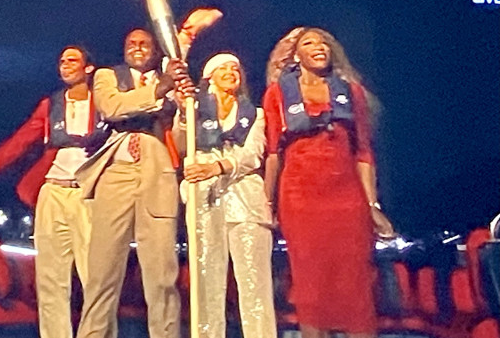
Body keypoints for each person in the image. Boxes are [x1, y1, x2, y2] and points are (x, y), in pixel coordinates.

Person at [0, 46, 109, 338]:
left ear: (89, 68)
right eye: (61, 61)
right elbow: (20, 142)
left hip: (91, 196)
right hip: (53, 193)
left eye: (72, 60)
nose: (65, 66)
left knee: (96, 277)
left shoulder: (105, 102)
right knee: (51, 278)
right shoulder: (51, 105)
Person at [262, 27, 394, 338]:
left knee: (355, 286)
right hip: (300, 199)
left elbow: (363, 151)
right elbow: (272, 153)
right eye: (309, 43)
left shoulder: (352, 93)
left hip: (346, 198)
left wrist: (372, 205)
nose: (319, 47)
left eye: (324, 43)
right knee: (311, 287)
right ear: (297, 55)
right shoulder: (277, 94)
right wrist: (267, 204)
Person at [74, 28, 198, 338]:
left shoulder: (171, 81)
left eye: (145, 44)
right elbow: (112, 107)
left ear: (156, 51)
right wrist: (159, 90)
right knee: (102, 271)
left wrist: (185, 111)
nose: (138, 48)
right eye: (132, 43)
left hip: (158, 172)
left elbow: (182, 146)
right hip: (116, 171)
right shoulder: (107, 75)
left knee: (162, 274)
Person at [172, 53, 277, 338]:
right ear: (210, 76)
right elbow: (181, 145)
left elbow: (253, 156)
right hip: (205, 199)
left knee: (255, 284)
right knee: (206, 281)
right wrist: (183, 114)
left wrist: (218, 167)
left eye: (236, 68)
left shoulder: (255, 114)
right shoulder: (192, 110)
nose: (232, 72)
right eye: (224, 68)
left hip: (245, 200)